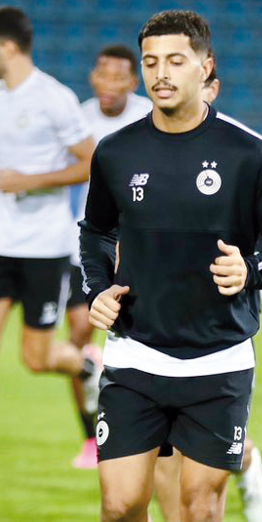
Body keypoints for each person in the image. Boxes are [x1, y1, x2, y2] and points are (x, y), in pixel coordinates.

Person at [81, 10, 262, 522]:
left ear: (205, 67)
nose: (159, 74)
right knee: (120, 510)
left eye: (174, 61)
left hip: (219, 360)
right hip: (138, 355)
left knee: (203, 508)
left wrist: (254, 273)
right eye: (151, 62)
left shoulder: (247, 152)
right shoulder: (117, 152)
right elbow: (94, 233)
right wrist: (99, 289)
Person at [0, 6, 99, 485]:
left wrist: (33, 181)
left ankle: (87, 363)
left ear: (7, 46)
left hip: (43, 247)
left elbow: (90, 162)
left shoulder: (56, 100)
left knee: (36, 359)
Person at [152, 62, 262, 522]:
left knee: (197, 447)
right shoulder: (137, 146)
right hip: (151, 326)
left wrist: (248, 268)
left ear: (210, 87)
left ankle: (247, 460)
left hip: (215, 330)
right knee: (161, 444)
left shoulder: (242, 154)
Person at [70, 44, 152, 469]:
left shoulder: (146, 116)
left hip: (134, 249)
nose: (110, 84)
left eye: (120, 77)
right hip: (86, 244)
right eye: (104, 75)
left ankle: (127, 432)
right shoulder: (78, 118)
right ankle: (89, 436)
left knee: (127, 341)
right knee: (77, 342)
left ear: (132, 83)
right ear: (93, 78)